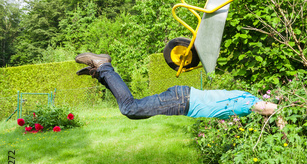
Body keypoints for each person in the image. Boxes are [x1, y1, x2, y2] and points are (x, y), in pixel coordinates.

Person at [75, 53, 278, 120]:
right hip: (183, 101)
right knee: (130, 108)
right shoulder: (249, 102)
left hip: (183, 98)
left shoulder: (246, 97)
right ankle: (103, 66)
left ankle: (99, 72)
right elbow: (270, 108)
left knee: (131, 108)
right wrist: (283, 118)